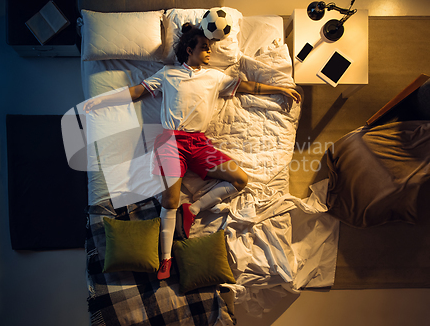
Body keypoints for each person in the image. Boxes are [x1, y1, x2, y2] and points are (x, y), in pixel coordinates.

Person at [84, 23, 301, 280]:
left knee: (240, 179)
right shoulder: (168, 74)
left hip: (199, 143)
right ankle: (165, 259)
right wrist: (99, 101)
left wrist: (279, 89)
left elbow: (249, 87)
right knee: (171, 201)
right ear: (189, 50)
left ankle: (194, 210)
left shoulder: (215, 77)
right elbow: (136, 92)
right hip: (170, 142)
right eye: (204, 48)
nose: (209, 52)